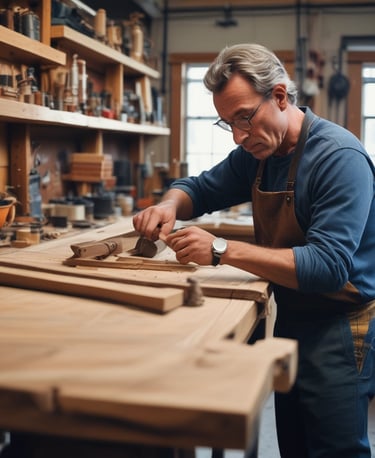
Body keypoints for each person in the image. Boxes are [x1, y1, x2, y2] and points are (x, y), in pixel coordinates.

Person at [133, 43, 375, 458]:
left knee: (335, 449)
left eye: (245, 117)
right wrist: (169, 205)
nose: (239, 135)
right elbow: (200, 187)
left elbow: (329, 266)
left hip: (340, 320)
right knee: (295, 444)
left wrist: (221, 248)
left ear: (280, 96)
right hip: (294, 314)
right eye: (227, 123)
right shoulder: (258, 153)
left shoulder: (339, 157)